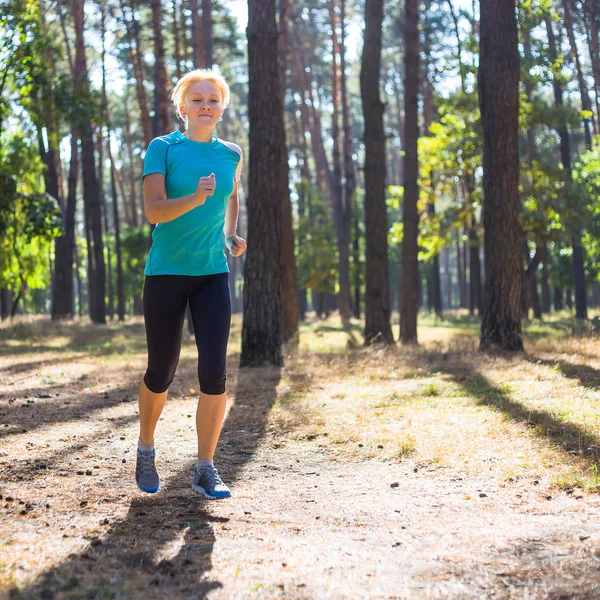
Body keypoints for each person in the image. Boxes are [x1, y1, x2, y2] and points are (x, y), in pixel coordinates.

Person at [135, 68, 247, 499]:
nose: (206, 105)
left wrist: (229, 235)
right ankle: (146, 448)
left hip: (211, 275)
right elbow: (154, 212)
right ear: (183, 108)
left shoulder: (231, 154)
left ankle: (205, 467)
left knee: (214, 373)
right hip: (165, 274)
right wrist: (196, 199)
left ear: (221, 108)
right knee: (160, 371)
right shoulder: (162, 148)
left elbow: (232, 195)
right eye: (197, 99)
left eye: (213, 99)